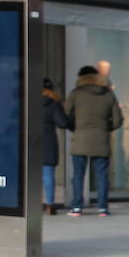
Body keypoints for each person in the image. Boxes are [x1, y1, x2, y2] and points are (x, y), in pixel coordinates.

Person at [64, 65, 123, 216]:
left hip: (80, 140)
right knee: (102, 175)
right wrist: (104, 128)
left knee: (78, 175)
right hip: (101, 140)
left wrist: (76, 128)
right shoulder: (109, 94)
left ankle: (77, 207)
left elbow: (65, 115)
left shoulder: (76, 94)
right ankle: (102, 208)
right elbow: (118, 120)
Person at [39, 78, 70, 215]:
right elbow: (62, 123)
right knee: (48, 174)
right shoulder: (53, 104)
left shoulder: (28, 101)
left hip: (29, 141)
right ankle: (50, 205)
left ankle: (30, 203)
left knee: (29, 176)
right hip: (48, 142)